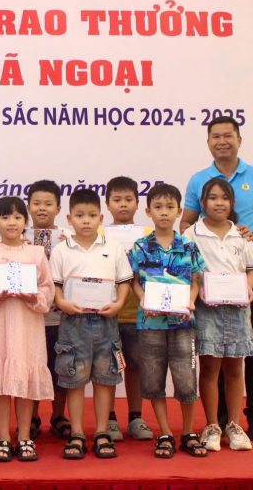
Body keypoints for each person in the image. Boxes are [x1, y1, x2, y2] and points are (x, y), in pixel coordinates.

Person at [181, 115, 253, 440]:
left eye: (228, 135)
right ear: (208, 142)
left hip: (247, 273)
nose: (222, 141)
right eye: (216, 136)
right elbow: (185, 224)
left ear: (239, 139)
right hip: (209, 280)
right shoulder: (198, 180)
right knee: (212, 353)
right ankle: (220, 419)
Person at [50, 189, 132, 460]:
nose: (86, 220)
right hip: (72, 322)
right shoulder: (61, 250)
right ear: (69, 218)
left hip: (107, 320)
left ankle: (101, 432)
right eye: (80, 215)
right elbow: (55, 286)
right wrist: (61, 302)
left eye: (92, 215)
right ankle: (76, 433)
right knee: (74, 378)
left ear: (101, 218)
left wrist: (119, 304)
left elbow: (124, 281)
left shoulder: (113, 247)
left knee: (104, 378)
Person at [0, 197, 55, 462]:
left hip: (28, 325)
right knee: (0, 382)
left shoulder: (36, 253)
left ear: (25, 222)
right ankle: (3, 438)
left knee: (25, 380)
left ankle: (25, 436)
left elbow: (47, 289)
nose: (12, 222)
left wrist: (34, 297)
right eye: (5, 217)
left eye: (18, 217)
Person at [129, 183, 207, 459]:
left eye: (170, 207)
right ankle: (164, 432)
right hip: (150, 324)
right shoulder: (140, 246)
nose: (164, 212)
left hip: (182, 324)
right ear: (148, 211)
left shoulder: (188, 246)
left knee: (187, 381)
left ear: (178, 211)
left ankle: (187, 432)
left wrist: (191, 300)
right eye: (158, 207)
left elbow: (196, 280)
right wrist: (142, 298)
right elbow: (133, 281)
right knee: (153, 381)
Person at [183, 178, 253, 451]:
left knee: (235, 368)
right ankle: (212, 425)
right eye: (213, 198)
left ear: (232, 203)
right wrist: (199, 289)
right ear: (202, 202)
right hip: (208, 310)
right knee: (210, 368)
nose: (219, 203)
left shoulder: (241, 235)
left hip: (238, 311)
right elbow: (188, 272)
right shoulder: (191, 234)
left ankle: (234, 425)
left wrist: (247, 287)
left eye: (224, 198)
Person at [103, 177, 154, 442]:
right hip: (107, 312)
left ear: (137, 202)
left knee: (135, 366)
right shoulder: (99, 234)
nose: (123, 205)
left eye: (128, 199)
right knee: (109, 368)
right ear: (107, 204)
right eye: (117, 200)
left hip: (138, 313)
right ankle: (109, 418)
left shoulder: (148, 235)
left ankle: (135, 417)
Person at [26, 180, 70, 441]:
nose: (42, 208)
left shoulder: (68, 237)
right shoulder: (18, 235)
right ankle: (31, 417)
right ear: (29, 206)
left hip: (61, 317)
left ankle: (58, 416)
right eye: (37, 203)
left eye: (48, 204)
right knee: (32, 368)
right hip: (30, 317)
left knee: (60, 369)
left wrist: (69, 248)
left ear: (58, 208)